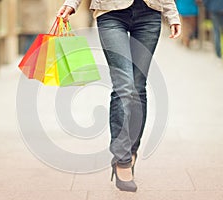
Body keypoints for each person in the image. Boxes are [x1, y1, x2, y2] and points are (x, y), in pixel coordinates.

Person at [57, 0, 181, 192]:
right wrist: (72, 3)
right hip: (111, 12)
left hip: (149, 13)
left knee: (138, 87)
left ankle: (131, 152)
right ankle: (122, 160)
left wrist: (171, 14)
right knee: (124, 85)